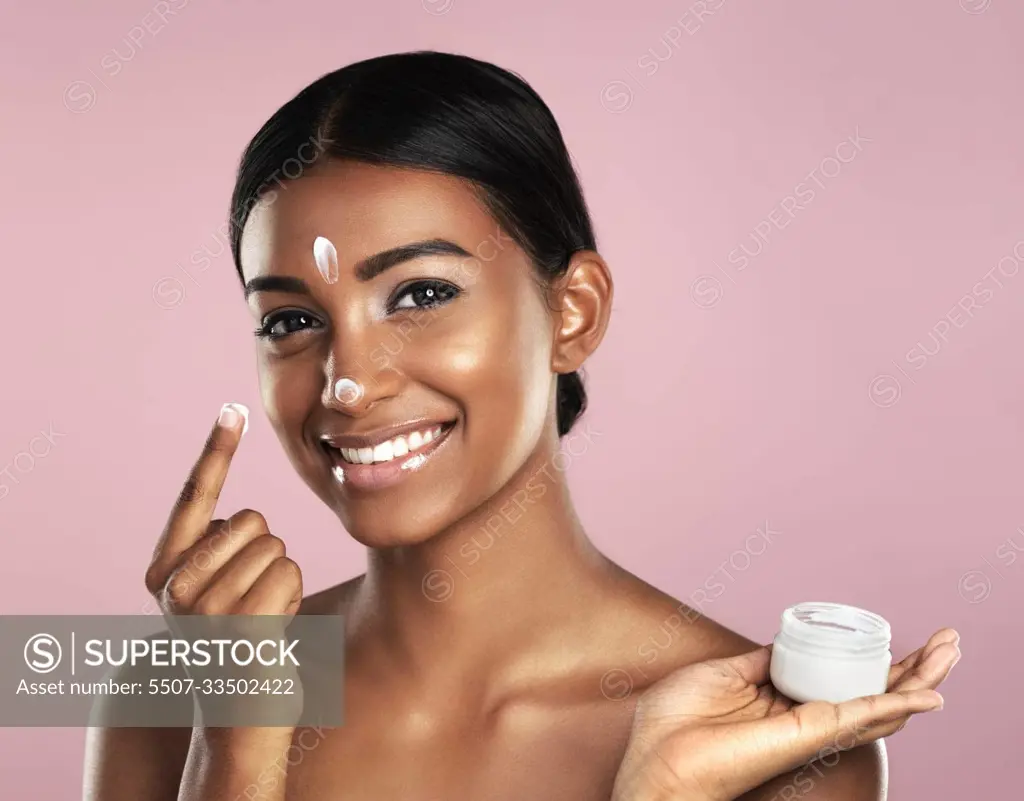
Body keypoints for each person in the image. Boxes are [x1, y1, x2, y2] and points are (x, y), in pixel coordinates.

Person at [83, 51, 960, 801]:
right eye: (288, 322)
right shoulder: (167, 696)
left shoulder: (782, 754)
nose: (347, 384)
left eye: (421, 294)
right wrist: (236, 749)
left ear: (573, 312)